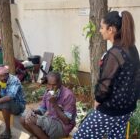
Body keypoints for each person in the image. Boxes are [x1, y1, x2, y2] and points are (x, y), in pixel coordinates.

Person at [74, 11, 140, 139]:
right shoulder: (132, 48)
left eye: (102, 27)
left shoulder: (115, 54)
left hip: (111, 110)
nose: (100, 30)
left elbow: (105, 84)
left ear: (111, 29)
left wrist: (98, 100)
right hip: (127, 109)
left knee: (80, 136)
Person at [20, 71, 76, 139]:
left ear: (60, 83)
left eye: (54, 85)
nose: (51, 88)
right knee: (23, 119)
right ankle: (38, 136)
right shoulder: (48, 92)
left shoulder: (68, 95)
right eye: (49, 84)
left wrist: (54, 104)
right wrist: (33, 112)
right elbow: (42, 110)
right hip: (50, 119)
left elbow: (67, 121)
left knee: (30, 120)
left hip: (62, 126)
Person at [0, 64, 26, 139]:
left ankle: (7, 131)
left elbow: (9, 97)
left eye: (3, 75)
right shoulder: (0, 80)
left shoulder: (14, 80)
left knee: (5, 103)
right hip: (7, 105)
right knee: (1, 102)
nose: (1, 78)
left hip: (18, 107)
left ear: (7, 74)